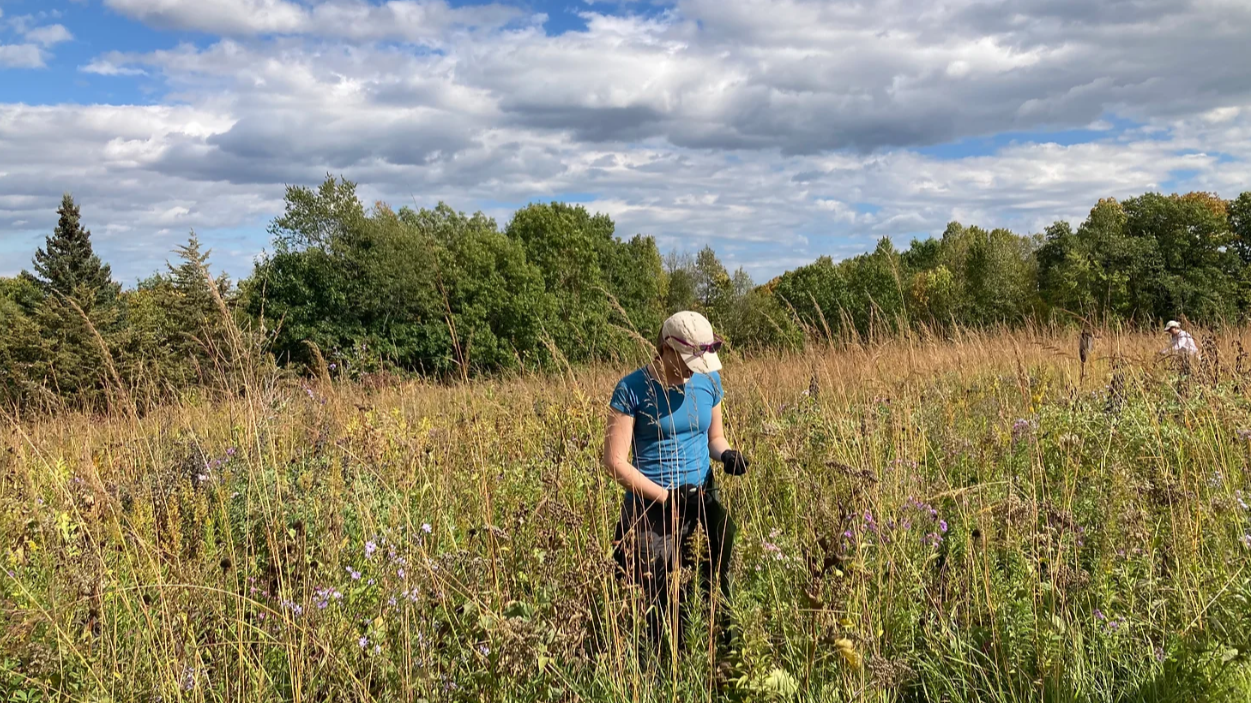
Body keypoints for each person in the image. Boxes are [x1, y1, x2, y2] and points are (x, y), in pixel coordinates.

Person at [602, 311, 750, 655]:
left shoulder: (708, 381)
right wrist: (667, 498)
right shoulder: (632, 389)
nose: (691, 371)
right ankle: (665, 664)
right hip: (652, 508)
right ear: (665, 348)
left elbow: (716, 437)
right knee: (661, 599)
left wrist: (727, 455)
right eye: (686, 362)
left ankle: (722, 654)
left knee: (713, 578)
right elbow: (614, 463)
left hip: (701, 497)